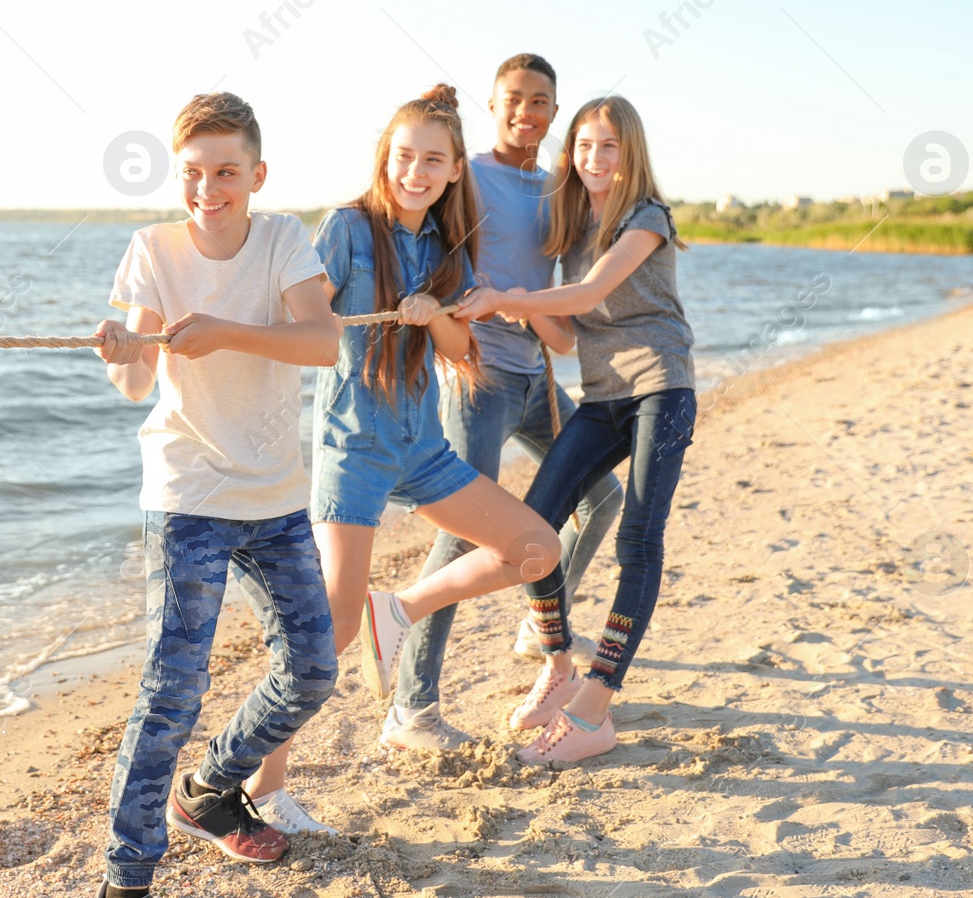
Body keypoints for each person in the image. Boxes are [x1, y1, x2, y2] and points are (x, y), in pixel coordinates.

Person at [243, 85, 564, 832]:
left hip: (422, 448)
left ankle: (405, 606)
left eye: (431, 160)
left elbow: (463, 352)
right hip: (352, 449)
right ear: (385, 159)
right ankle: (266, 786)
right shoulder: (350, 228)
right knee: (330, 630)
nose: (414, 171)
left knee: (535, 548)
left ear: (456, 170)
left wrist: (437, 313)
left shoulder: (449, 245)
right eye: (403, 156)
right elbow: (310, 320)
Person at [92, 92, 340, 898]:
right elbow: (133, 383)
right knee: (174, 684)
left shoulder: (282, 240)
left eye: (227, 171)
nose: (209, 188)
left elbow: (323, 341)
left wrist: (226, 329)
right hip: (188, 487)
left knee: (311, 670)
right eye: (193, 172)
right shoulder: (154, 248)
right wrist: (121, 349)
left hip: (272, 494)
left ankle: (208, 792)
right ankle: (127, 875)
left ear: (256, 173)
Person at [393, 55, 625, 753]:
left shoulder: (559, 183)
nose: (527, 111)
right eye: (515, 99)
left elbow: (562, 283)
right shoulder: (470, 172)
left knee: (602, 496)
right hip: (478, 372)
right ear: (493, 106)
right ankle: (410, 709)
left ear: (556, 114)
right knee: (462, 529)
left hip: (530, 375)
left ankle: (540, 621)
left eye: (541, 102)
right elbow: (409, 210)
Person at [457, 94, 697, 764]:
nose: (594, 157)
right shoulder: (572, 229)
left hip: (661, 387)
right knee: (534, 526)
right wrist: (512, 304)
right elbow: (565, 335)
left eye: (609, 146)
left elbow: (590, 295)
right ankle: (559, 663)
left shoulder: (647, 218)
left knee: (637, 536)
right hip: (601, 396)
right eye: (584, 145)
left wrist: (514, 297)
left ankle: (596, 705)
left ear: (631, 155)